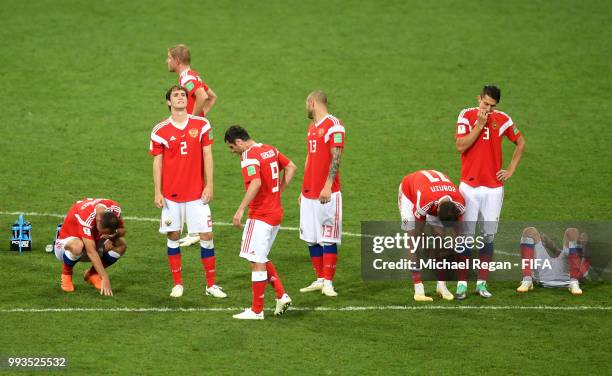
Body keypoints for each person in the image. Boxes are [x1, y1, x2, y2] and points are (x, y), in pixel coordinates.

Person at [150, 85, 226, 299]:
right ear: (168, 102)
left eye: (183, 94)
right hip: (171, 196)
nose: (181, 97)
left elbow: (208, 156)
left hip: (196, 194)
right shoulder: (160, 130)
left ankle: (211, 285)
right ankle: (177, 284)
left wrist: (209, 184)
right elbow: (158, 162)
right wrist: (158, 191)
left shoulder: (201, 124)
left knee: (207, 235)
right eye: (176, 95)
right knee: (173, 235)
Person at [454, 85, 526, 299]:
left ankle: (482, 284)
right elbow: (461, 146)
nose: (487, 108)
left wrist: (511, 169)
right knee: (465, 237)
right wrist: (480, 124)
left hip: (494, 190)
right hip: (469, 187)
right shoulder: (466, 116)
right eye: (485, 103)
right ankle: (461, 285)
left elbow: (520, 143)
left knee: (488, 236)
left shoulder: (503, 119)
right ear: (479, 99)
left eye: (492, 106)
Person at [225, 125, 297, 320]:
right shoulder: (269, 149)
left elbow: (255, 183)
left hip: (260, 215)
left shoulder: (249, 156)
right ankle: (281, 295)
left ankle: (257, 310)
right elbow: (291, 167)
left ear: (239, 142)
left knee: (256, 259)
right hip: (276, 213)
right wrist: (279, 191)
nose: (233, 152)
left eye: (232, 147)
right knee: (258, 255)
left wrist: (240, 209)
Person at [166, 44, 218, 247]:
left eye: (169, 58)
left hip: (193, 133)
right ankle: (194, 230)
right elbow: (212, 97)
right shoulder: (193, 75)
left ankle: (196, 230)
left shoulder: (187, 79)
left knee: (190, 175)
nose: (167, 61)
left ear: (177, 61)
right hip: (198, 130)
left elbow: (204, 97)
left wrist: (193, 121)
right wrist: (201, 118)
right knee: (194, 173)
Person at [299, 91, 345, 297]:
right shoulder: (312, 128)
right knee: (311, 238)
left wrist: (327, 185)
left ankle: (328, 282)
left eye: (306, 105)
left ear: (312, 103)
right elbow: (309, 158)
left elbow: (337, 156)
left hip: (328, 193)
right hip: (309, 193)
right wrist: (304, 188)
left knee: (328, 238)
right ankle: (319, 278)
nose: (306, 109)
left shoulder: (334, 124)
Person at [399, 170, 466, 301]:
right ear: (437, 210)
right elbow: (418, 233)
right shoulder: (425, 202)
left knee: (442, 241)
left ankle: (441, 285)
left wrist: (449, 246)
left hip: (431, 193)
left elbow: (457, 233)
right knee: (412, 238)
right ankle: (418, 288)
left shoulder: (460, 204)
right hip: (409, 192)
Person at [54, 198, 126, 296]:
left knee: (121, 245)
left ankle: (91, 274)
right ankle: (66, 274)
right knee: (78, 246)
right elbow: (91, 251)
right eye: (101, 231)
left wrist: (114, 235)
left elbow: (122, 230)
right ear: (98, 220)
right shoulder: (86, 217)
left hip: (91, 243)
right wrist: (104, 277)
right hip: (65, 244)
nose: (101, 234)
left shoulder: (115, 210)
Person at [517, 227, 590, 295]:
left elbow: (581, 274)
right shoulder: (569, 253)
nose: (581, 239)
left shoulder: (585, 259)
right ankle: (527, 280)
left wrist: (582, 253)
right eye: (580, 237)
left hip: (564, 278)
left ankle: (574, 283)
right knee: (529, 231)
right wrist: (547, 242)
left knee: (572, 231)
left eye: (583, 238)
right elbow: (557, 252)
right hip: (543, 273)